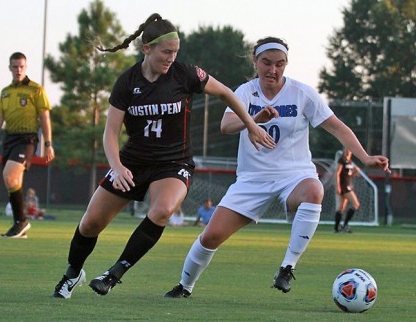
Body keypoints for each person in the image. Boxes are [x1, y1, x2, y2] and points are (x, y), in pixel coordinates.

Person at [52, 13, 275, 299]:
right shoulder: (127, 82)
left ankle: (113, 274)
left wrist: (251, 123)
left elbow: (227, 94)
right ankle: (73, 273)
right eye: (166, 52)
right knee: (90, 223)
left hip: (174, 163)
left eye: (175, 52)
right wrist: (117, 167)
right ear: (147, 49)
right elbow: (110, 133)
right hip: (132, 162)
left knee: (162, 210)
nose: (172, 58)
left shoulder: (185, 74)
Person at [164, 36, 390, 298]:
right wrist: (254, 120)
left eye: (280, 64)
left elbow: (337, 126)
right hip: (252, 179)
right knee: (211, 236)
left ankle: (287, 268)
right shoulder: (246, 92)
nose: (273, 70)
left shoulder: (302, 93)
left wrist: (364, 156)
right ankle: (185, 286)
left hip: (294, 175)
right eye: (267, 63)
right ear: (255, 62)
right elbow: (226, 126)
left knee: (314, 191)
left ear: (286, 64)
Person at [0, 52, 55, 238]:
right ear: (10, 68)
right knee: (14, 181)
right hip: (9, 139)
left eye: (21, 66)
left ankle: (21, 222)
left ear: (26, 67)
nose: (18, 70)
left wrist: (48, 143)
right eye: (15, 66)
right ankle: (20, 224)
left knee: (9, 176)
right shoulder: (6, 92)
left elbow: (45, 117)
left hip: (27, 140)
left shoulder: (36, 90)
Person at [334, 149, 361, 233]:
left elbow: (348, 174)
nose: (348, 151)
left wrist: (355, 172)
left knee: (341, 208)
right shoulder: (341, 160)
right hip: (344, 186)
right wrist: (337, 186)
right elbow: (337, 173)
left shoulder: (349, 161)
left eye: (349, 149)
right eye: (346, 149)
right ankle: (345, 225)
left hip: (347, 185)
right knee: (356, 204)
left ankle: (337, 228)